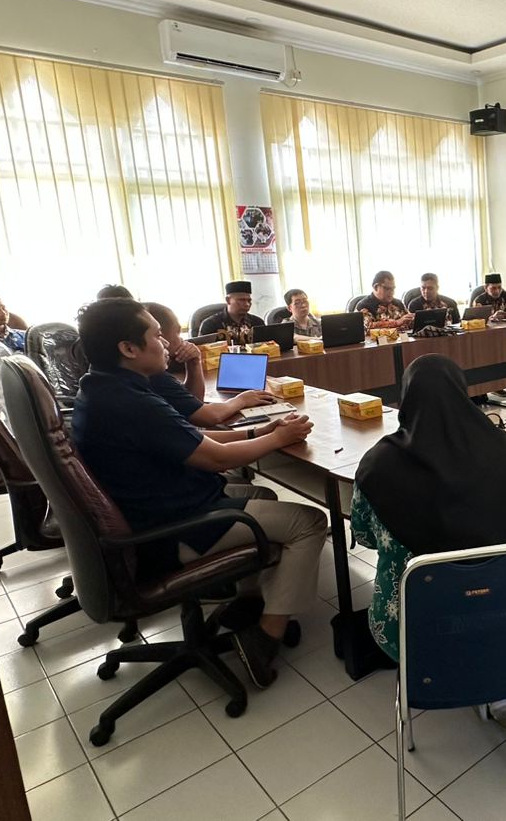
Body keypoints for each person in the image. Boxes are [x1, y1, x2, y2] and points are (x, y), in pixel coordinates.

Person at [70, 298, 328, 688]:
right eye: (157, 335)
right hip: (173, 531)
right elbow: (214, 458)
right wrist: (278, 438)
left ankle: (249, 604)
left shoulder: (104, 388)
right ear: (129, 348)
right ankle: (265, 637)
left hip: (155, 513)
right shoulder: (131, 403)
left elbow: (193, 437)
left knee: (263, 498)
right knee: (309, 522)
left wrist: (260, 432)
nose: (166, 343)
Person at [350, 355, 506, 674]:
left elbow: (364, 535)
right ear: (464, 394)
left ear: (406, 399)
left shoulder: (378, 464)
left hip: (414, 625)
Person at [145, 302, 276, 426]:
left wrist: (194, 363)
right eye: (178, 333)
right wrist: (242, 400)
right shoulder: (155, 377)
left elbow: (193, 404)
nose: (182, 340)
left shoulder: (155, 375)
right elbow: (207, 416)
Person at [197, 280, 266, 339]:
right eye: (241, 300)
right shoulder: (210, 325)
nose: (247, 304)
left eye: (249, 301)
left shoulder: (257, 323)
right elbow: (202, 349)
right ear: (228, 300)